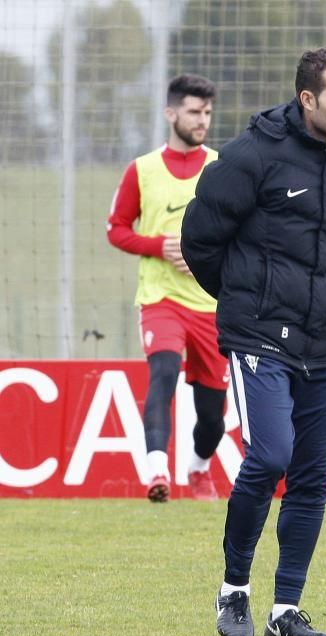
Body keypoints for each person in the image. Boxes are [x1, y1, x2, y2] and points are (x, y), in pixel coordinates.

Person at [181, 47, 326, 636]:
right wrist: (250, 300)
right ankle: (235, 591)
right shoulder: (251, 157)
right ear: (308, 99)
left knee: (312, 474)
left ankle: (285, 609)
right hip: (259, 338)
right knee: (270, 455)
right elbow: (200, 238)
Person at [107, 74, 228, 503]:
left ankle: (198, 467)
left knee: (213, 415)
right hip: (160, 300)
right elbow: (116, 230)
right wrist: (160, 246)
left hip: (212, 305)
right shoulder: (141, 170)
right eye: (195, 112)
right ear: (171, 113)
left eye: (208, 113)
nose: (203, 120)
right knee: (161, 373)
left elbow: (237, 231)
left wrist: (203, 254)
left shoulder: (221, 167)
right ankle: (157, 472)